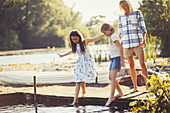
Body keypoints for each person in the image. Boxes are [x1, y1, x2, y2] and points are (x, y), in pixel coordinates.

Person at [57, 30, 105, 105]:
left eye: (76, 39)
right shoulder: (75, 45)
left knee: (81, 79)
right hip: (80, 63)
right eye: (73, 39)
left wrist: (104, 34)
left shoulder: (85, 41)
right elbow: (72, 51)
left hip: (87, 63)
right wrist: (63, 55)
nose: (74, 41)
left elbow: (95, 38)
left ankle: (82, 93)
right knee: (78, 80)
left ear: (79, 37)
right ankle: (76, 99)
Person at [118, 0, 149, 93]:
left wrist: (144, 40)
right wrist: (119, 44)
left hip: (137, 42)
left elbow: (143, 28)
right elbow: (120, 31)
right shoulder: (121, 16)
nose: (124, 7)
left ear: (129, 4)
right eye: (122, 6)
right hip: (126, 43)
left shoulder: (137, 13)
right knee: (131, 65)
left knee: (142, 63)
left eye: (125, 5)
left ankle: (147, 86)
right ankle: (135, 87)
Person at [101, 23, 125, 106]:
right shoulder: (111, 37)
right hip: (113, 58)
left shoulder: (114, 36)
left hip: (117, 58)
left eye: (105, 32)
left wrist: (122, 60)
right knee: (111, 77)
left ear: (109, 30)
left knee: (113, 77)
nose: (105, 34)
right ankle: (120, 93)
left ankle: (111, 97)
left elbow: (121, 47)